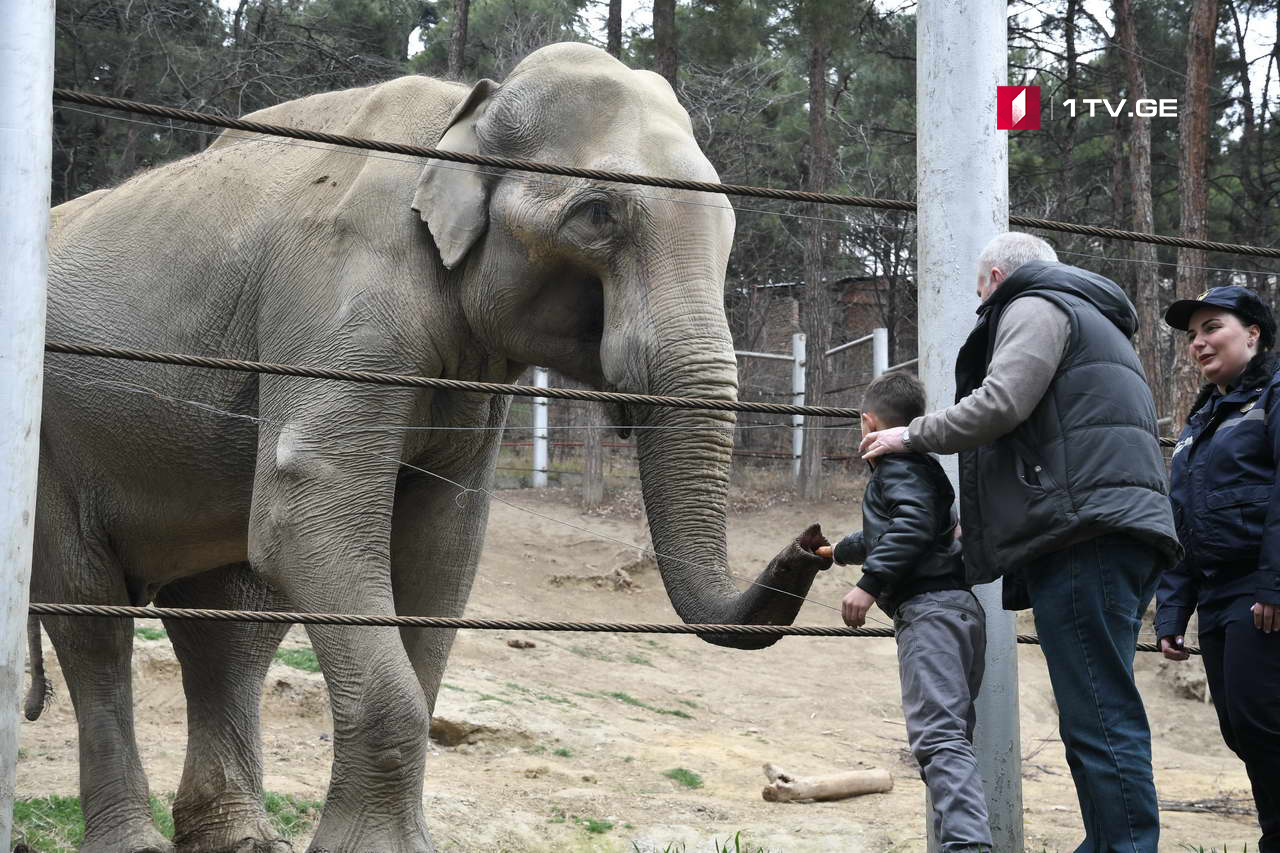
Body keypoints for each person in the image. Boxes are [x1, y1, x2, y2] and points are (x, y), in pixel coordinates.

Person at [861, 232, 1180, 853]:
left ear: (999, 276)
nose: (983, 307)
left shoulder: (1037, 304)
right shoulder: (1095, 318)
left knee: (1096, 712)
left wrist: (910, 436)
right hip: (1114, 528)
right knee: (1096, 706)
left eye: (982, 295)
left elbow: (1001, 402)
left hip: (1085, 534)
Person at [817, 371, 991, 853]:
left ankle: (968, 848)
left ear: (867, 422)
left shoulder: (896, 467)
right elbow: (898, 528)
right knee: (950, 740)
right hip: (958, 611)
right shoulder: (920, 468)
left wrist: (868, 585)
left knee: (939, 741)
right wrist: (837, 552)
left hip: (929, 612)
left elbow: (910, 528)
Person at [1156, 285, 1280, 853]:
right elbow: (1183, 517)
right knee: (1241, 726)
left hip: (1263, 586)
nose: (1198, 343)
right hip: (1217, 593)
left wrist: (1276, 584)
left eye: (1213, 327)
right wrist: (1172, 611)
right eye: (1192, 335)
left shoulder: (1274, 395)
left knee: (1264, 718)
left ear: (1253, 333)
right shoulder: (1202, 418)